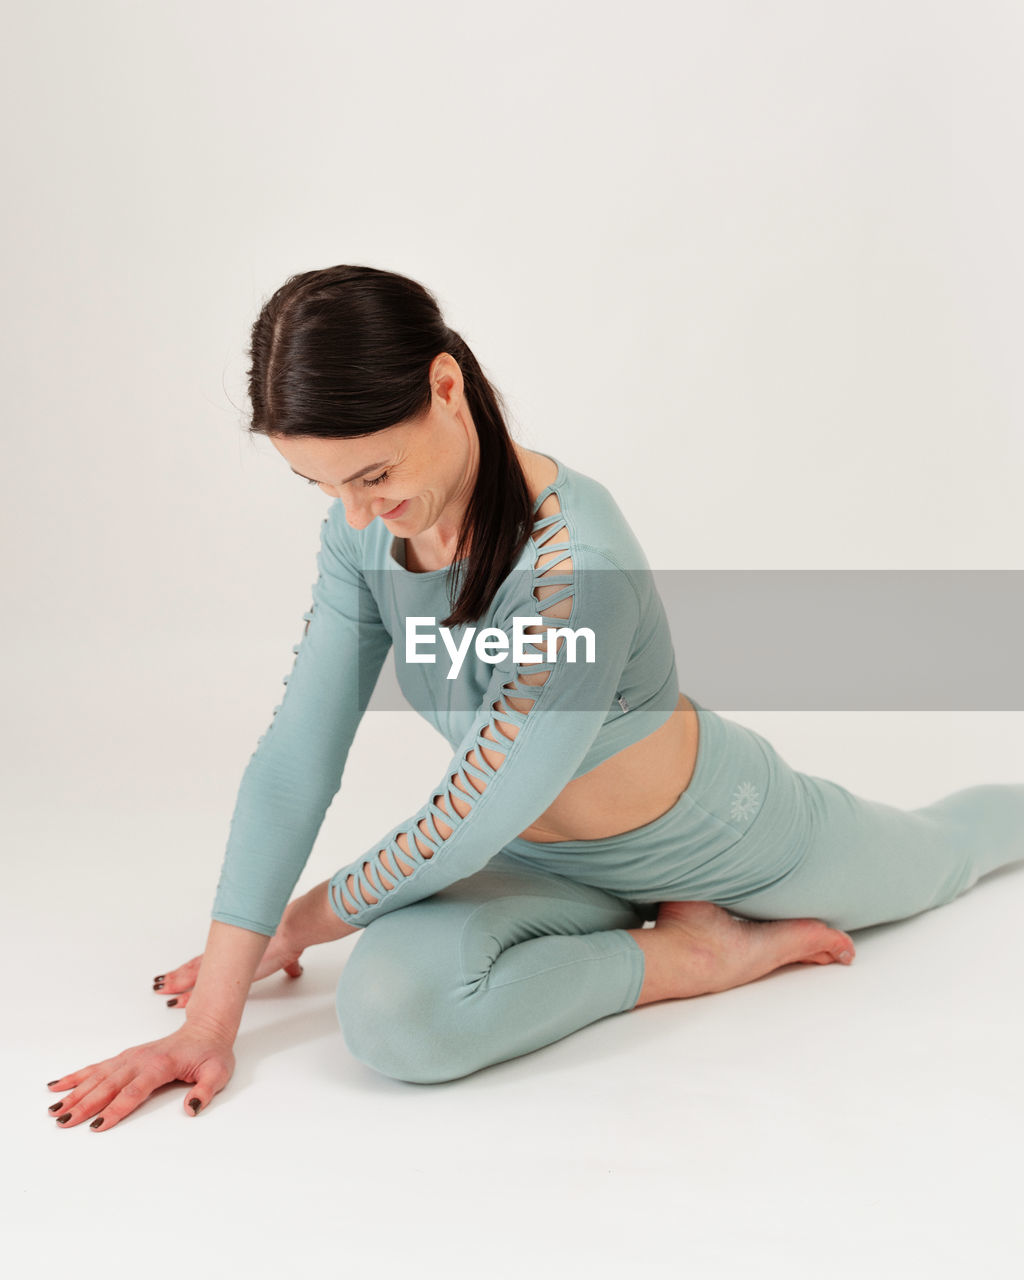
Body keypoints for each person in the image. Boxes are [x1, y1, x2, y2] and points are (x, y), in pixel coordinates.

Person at [46, 265, 1024, 1129]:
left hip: (715, 830)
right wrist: (209, 1024)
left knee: (945, 855)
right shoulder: (361, 536)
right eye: (321, 484)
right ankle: (692, 956)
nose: (354, 512)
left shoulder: (573, 563)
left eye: (374, 472)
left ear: (444, 385)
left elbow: (468, 813)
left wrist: (294, 923)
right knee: (392, 1017)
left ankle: (728, 911)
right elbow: (295, 759)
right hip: (535, 860)